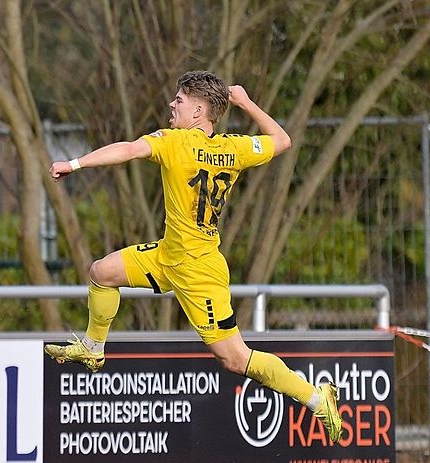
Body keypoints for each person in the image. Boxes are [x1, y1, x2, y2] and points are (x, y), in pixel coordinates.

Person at [44, 71, 344, 443]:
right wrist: (245, 102)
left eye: (180, 100)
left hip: (199, 271)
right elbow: (282, 139)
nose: (172, 105)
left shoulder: (175, 142)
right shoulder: (232, 148)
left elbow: (128, 149)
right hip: (170, 255)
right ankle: (93, 348)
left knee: (234, 358)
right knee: (102, 271)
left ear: (199, 109)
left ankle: (317, 399)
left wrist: (74, 164)